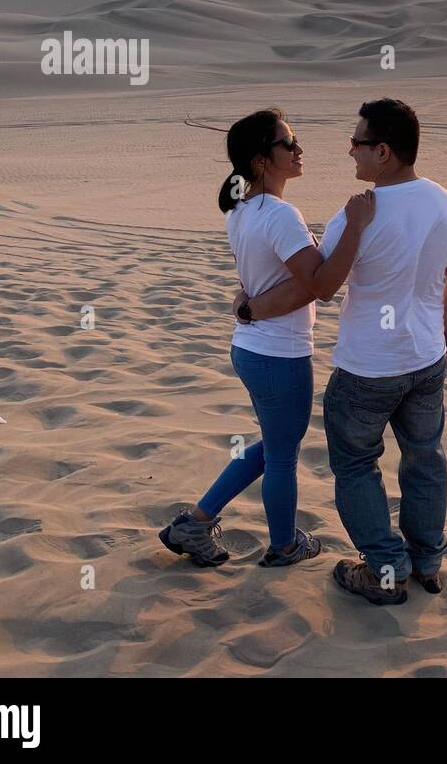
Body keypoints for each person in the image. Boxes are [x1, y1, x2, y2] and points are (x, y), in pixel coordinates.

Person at [242, 98, 447, 604]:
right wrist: (446, 337)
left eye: (358, 142)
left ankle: (386, 568)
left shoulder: (356, 215)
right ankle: (427, 560)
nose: (350, 151)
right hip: (427, 359)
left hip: (368, 366)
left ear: (384, 152)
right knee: (424, 459)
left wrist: (251, 307)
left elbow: (317, 285)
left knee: (354, 465)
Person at [159, 108, 375, 567]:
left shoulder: (241, 209)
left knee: (275, 445)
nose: (299, 150)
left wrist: (251, 304)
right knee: (281, 456)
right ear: (260, 161)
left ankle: (195, 523)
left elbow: (277, 283)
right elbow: (320, 285)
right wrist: (355, 228)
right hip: (279, 355)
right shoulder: (279, 215)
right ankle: (284, 546)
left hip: (253, 348)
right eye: (288, 144)